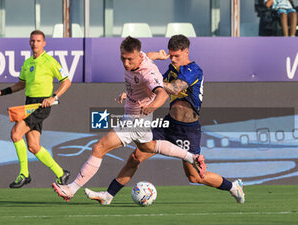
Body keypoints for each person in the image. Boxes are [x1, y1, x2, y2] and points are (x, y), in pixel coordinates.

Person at [84, 34, 245, 205]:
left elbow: (174, 88)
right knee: (136, 156)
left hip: (188, 130)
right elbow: (150, 81)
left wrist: (150, 81)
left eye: (177, 55)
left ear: (186, 52)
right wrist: (133, 92)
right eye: (171, 55)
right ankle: (108, 196)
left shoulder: (193, 70)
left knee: (196, 177)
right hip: (168, 126)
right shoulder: (171, 71)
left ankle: (233, 187)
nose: (173, 59)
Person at [52, 36, 207, 202]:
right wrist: (158, 56)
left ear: (138, 57)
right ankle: (192, 157)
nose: (126, 63)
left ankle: (71, 189)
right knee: (149, 146)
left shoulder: (149, 73)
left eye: (129, 59)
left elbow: (162, 92)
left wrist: (153, 106)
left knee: (99, 147)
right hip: (135, 117)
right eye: (123, 58)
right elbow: (149, 55)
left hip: (136, 120)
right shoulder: (141, 58)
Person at [0, 30, 71, 188]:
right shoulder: (27, 63)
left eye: (38, 41)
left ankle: (24, 174)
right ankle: (61, 173)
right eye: (32, 40)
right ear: (29, 42)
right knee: (33, 146)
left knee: (15, 133)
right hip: (29, 104)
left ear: (44, 43)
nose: (35, 43)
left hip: (42, 105)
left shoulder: (50, 61)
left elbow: (66, 82)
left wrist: (53, 97)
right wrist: (1, 92)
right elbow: (21, 85)